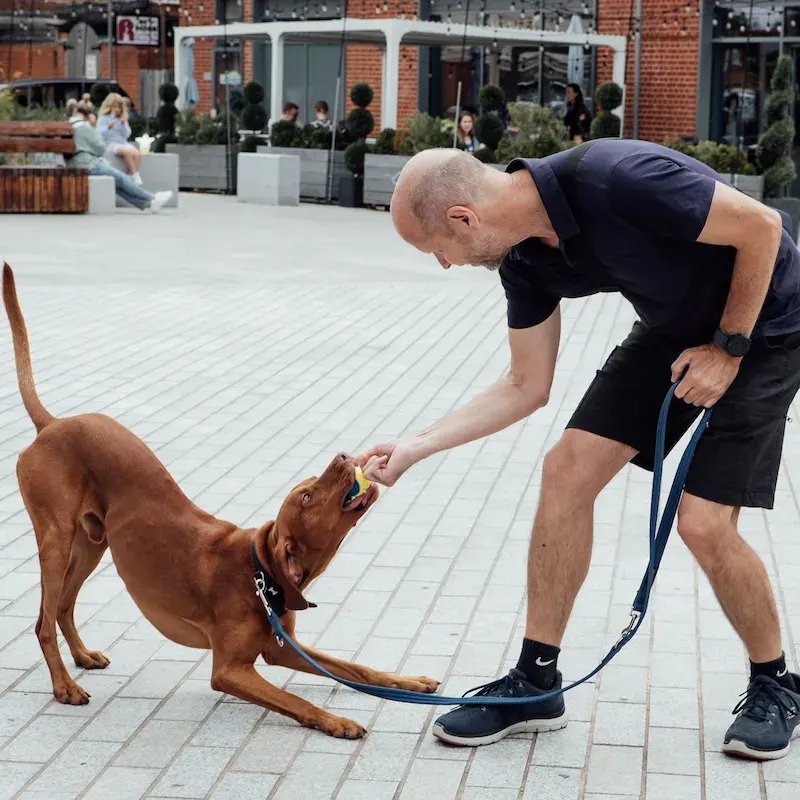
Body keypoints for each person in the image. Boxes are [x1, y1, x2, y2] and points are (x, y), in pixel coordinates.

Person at [359, 143, 800, 759]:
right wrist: (414, 448)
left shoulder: (620, 179)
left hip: (768, 327)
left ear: (464, 219)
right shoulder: (525, 263)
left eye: (437, 249)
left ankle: (775, 683)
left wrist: (727, 349)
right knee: (565, 470)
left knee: (702, 524)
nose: (443, 263)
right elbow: (525, 385)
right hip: (673, 330)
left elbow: (763, 226)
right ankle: (537, 681)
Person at [69, 101, 172, 213]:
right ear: (88, 115)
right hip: (88, 164)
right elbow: (101, 148)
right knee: (120, 177)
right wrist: (93, 126)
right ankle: (151, 198)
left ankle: (149, 202)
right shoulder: (84, 126)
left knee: (116, 181)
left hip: (76, 163)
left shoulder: (69, 124)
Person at [97, 92, 142, 185]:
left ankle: (132, 175)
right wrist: (108, 128)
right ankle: (134, 174)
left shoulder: (122, 118)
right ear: (109, 106)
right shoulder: (103, 118)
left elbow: (127, 134)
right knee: (127, 152)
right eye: (114, 107)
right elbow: (99, 133)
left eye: (118, 107)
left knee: (136, 153)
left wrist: (123, 124)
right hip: (110, 144)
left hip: (122, 142)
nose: (116, 110)